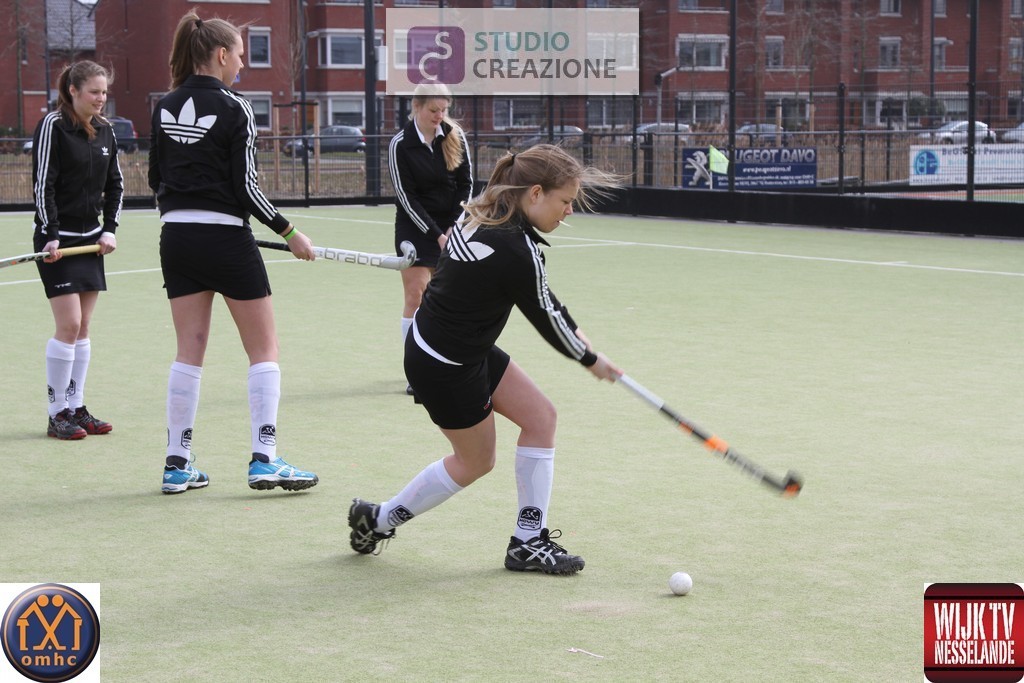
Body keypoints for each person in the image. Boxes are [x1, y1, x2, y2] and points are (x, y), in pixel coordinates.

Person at [349, 145, 622, 575]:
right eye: (566, 201)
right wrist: (589, 359)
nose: (569, 211)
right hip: (444, 365)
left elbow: (548, 303)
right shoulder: (514, 247)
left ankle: (528, 541)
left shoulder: (486, 210)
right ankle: (378, 519)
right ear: (535, 193)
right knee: (476, 461)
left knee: (541, 418)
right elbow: (546, 318)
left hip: (459, 346)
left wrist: (590, 350)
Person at [149, 11, 319, 494]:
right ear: (221, 55)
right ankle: (265, 458)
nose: (243, 64)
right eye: (240, 55)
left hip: (176, 238)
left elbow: (156, 178)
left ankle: (177, 464)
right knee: (264, 349)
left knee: (189, 351)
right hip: (226, 241)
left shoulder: (164, 105)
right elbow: (246, 187)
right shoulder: (235, 106)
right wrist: (289, 232)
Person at [32, 61, 123, 440]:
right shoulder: (53, 125)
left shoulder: (106, 131)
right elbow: (43, 184)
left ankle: (77, 407)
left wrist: (110, 229)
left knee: (83, 327)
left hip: (90, 241)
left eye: (104, 92)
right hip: (57, 241)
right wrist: (50, 233)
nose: (101, 99)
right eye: (94, 92)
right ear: (73, 90)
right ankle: (57, 414)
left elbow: (115, 186)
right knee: (68, 325)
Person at [388, 83, 473, 395]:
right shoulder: (400, 144)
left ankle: (443, 363)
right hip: (414, 229)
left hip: (451, 227)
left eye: (444, 110)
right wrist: (436, 234)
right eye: (433, 110)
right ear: (417, 107)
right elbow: (406, 197)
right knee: (416, 296)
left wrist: (453, 226)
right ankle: (416, 373)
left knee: (445, 299)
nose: (440, 116)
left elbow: (466, 184)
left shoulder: (455, 135)